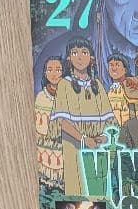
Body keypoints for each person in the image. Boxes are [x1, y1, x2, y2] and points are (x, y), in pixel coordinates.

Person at [48, 38, 116, 195]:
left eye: (84, 53)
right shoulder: (65, 84)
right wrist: (84, 139)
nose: (79, 57)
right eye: (75, 53)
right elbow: (62, 121)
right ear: (69, 58)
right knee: (77, 189)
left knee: (98, 188)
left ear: (91, 58)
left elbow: (110, 121)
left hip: (97, 147)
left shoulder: (97, 85)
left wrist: (104, 137)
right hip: (74, 144)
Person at [34, 56, 64, 184]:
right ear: (45, 73)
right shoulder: (41, 97)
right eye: (50, 70)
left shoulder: (69, 96)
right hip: (45, 148)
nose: (54, 74)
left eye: (58, 70)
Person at [105, 53, 132, 126]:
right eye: (111, 65)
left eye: (117, 65)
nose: (114, 69)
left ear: (125, 70)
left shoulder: (131, 88)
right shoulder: (108, 91)